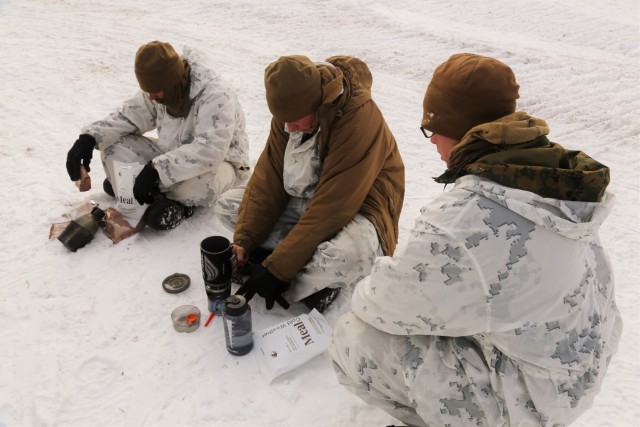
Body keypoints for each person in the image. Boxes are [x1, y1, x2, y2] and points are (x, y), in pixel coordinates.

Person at [329, 53, 622, 426]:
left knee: (355, 335)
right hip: (576, 372)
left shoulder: (466, 220)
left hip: (531, 400)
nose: (431, 138)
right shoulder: (548, 176)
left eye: (433, 127)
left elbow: (383, 303)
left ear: (461, 129)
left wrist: (372, 284)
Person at [214, 55, 404, 312]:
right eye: (283, 121)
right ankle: (297, 263)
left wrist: (278, 270)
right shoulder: (289, 114)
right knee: (228, 207)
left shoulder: (358, 118)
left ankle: (303, 278)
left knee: (348, 255)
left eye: (295, 121)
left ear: (317, 104)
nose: (289, 128)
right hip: (310, 198)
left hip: (359, 207)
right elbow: (267, 181)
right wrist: (245, 241)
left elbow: (333, 208)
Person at [66, 41, 250, 230]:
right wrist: (88, 139)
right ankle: (142, 190)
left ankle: (177, 205)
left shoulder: (215, 95)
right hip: (172, 154)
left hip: (222, 165)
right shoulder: (159, 86)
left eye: (155, 92)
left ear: (172, 81)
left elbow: (210, 150)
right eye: (148, 91)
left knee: (199, 184)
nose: (152, 97)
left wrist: (156, 170)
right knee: (113, 144)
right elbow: (130, 116)